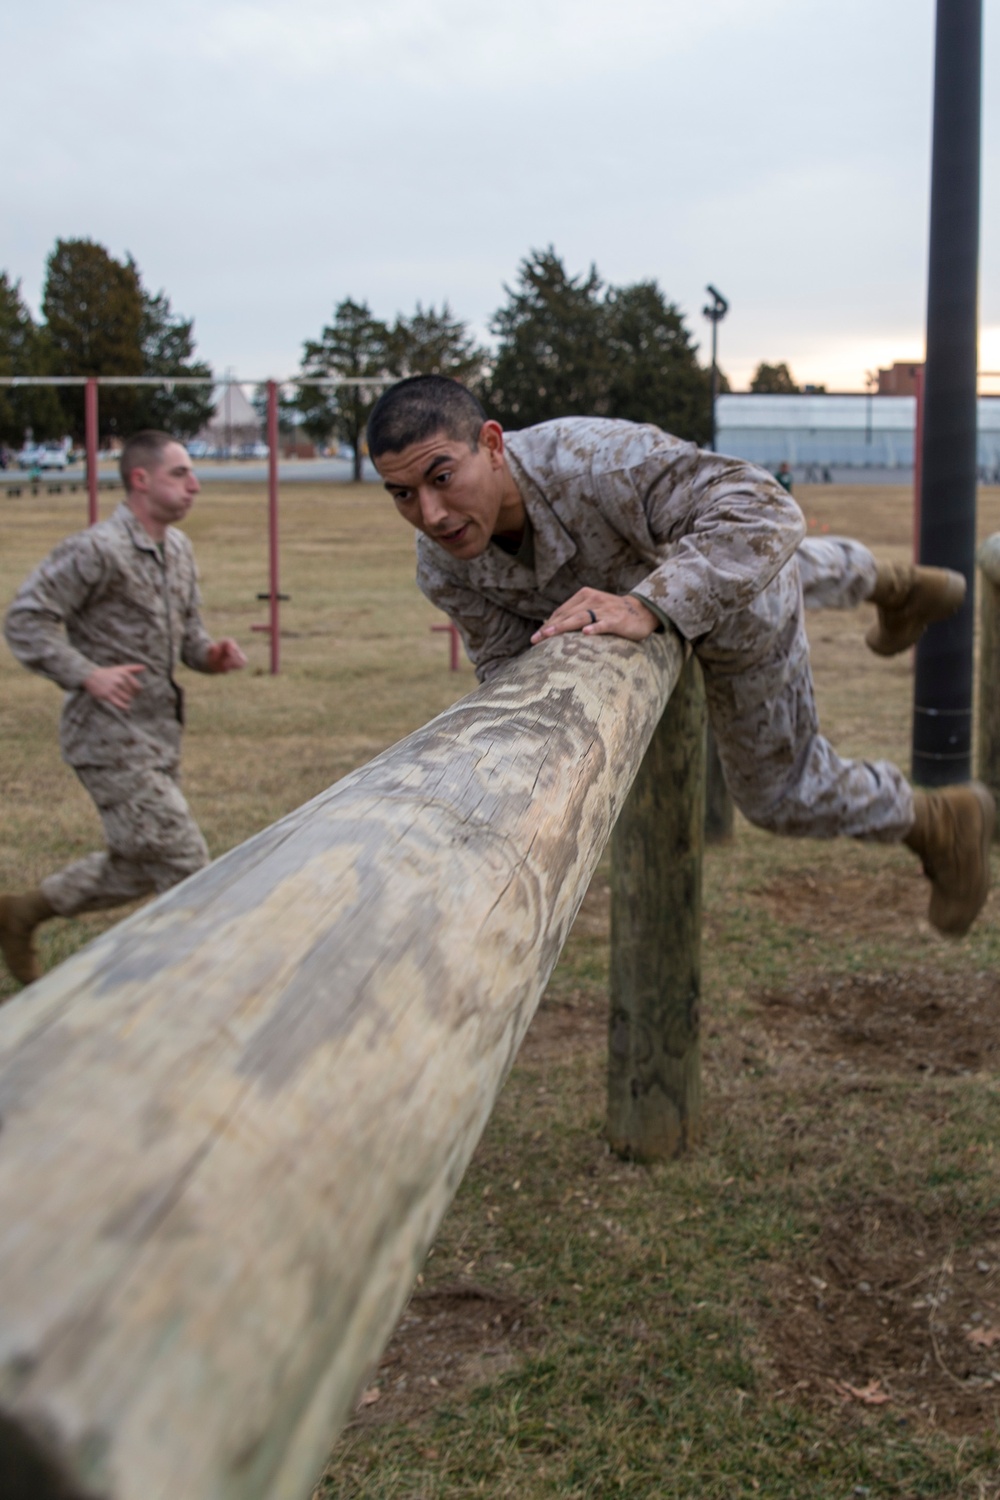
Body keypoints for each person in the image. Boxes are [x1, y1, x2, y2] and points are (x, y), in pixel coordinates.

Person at [367, 375, 993, 938]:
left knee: (781, 791)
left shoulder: (595, 463)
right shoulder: (443, 566)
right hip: (670, 567)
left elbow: (765, 510)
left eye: (442, 476)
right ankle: (895, 584)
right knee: (791, 565)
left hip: (724, 606)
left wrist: (648, 605)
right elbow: (507, 665)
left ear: (493, 445)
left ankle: (937, 819)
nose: (430, 514)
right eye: (401, 494)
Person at [0, 430, 247, 987]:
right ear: (141, 479)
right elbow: (25, 619)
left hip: (160, 736)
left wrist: (210, 655)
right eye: (181, 474)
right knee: (185, 860)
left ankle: (21, 914)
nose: (195, 486)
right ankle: (200, 986)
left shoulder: (178, 550)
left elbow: (188, 639)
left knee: (138, 864)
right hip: (107, 740)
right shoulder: (96, 549)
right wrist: (86, 674)